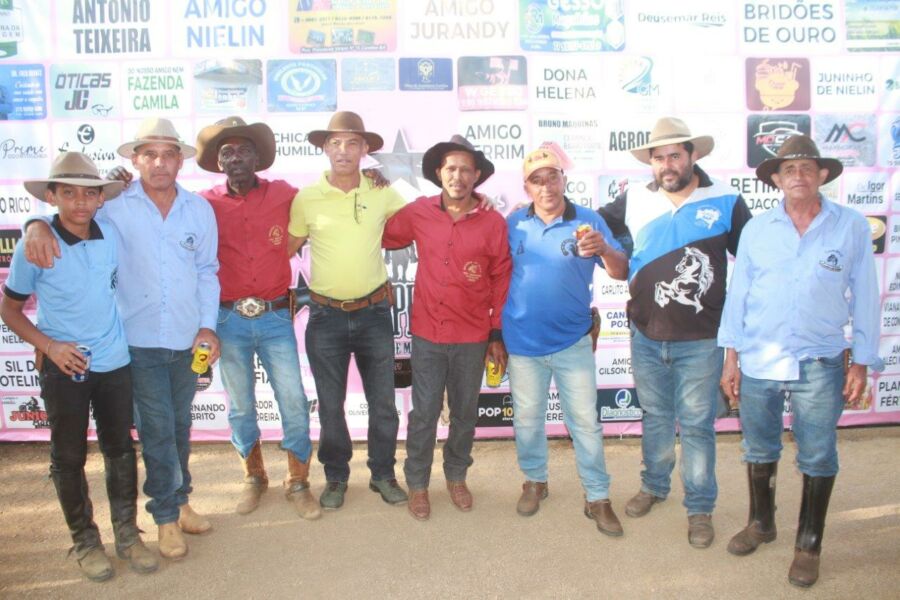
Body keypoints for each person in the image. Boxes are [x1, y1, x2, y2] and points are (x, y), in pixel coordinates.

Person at [24, 118, 221, 560]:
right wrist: (34, 223)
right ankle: (165, 516)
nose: (159, 163)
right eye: (149, 154)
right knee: (156, 429)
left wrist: (208, 326)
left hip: (188, 339)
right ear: (135, 160)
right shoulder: (114, 206)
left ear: (180, 161)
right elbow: (67, 218)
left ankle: (181, 500)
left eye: (168, 154)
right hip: (136, 340)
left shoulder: (199, 210)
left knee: (179, 425)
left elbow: (208, 271)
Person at [718, 135, 881, 588]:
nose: (798, 176)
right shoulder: (756, 230)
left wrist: (861, 361)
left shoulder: (850, 226)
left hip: (819, 360)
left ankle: (809, 544)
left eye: (807, 167)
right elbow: (738, 295)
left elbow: (866, 295)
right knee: (758, 447)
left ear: (822, 174)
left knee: (818, 453)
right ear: (776, 179)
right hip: (759, 358)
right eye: (788, 169)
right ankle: (761, 523)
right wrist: (731, 358)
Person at [0, 152, 158, 581]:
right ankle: (86, 541)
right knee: (68, 456)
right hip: (63, 366)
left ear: (100, 199)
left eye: (89, 194)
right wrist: (49, 346)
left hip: (114, 361)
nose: (80, 202)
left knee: (120, 449)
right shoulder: (36, 244)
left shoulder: (110, 233)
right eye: (68, 193)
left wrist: (35, 220)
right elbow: (9, 310)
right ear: (51, 196)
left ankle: (127, 534)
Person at [598, 117, 752, 548]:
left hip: (702, 340)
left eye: (674, 155)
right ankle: (654, 486)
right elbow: (592, 225)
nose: (667, 164)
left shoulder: (726, 199)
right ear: (651, 162)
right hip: (646, 334)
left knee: (698, 426)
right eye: (659, 157)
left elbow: (754, 260)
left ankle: (700, 508)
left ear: (692, 155)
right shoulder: (633, 198)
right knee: (656, 416)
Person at [192, 117, 319, 519]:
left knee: (293, 400)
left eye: (244, 150)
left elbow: (326, 198)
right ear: (218, 162)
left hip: (275, 318)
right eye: (227, 152)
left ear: (258, 158)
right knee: (241, 406)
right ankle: (254, 477)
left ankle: (298, 481)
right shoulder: (203, 203)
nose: (236, 158)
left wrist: (372, 179)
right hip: (228, 320)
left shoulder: (285, 194)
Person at [382, 135, 512, 520]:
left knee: (465, 413)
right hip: (427, 333)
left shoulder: (492, 221)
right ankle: (418, 483)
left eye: (465, 170)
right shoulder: (419, 212)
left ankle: (456, 476)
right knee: (423, 413)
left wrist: (496, 332)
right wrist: (373, 189)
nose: (458, 176)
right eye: (451, 169)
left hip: (472, 336)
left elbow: (501, 277)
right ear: (439, 173)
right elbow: (382, 234)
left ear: (476, 176)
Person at [503, 146, 628, 536]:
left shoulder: (588, 221)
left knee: (585, 423)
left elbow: (621, 271)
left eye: (552, 177)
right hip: (522, 342)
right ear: (527, 187)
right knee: (527, 421)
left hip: (573, 341)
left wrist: (605, 249)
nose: (546, 187)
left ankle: (598, 497)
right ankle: (535, 480)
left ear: (563, 180)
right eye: (536, 181)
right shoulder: (512, 223)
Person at [287, 111, 408, 509]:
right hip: (325, 318)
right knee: (330, 405)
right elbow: (283, 249)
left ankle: (383, 474)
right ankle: (336, 477)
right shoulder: (306, 198)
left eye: (352, 143)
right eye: (335, 143)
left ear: (364, 149)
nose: (343, 150)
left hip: (374, 313)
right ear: (324, 148)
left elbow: (421, 221)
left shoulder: (382, 191)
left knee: (383, 404)